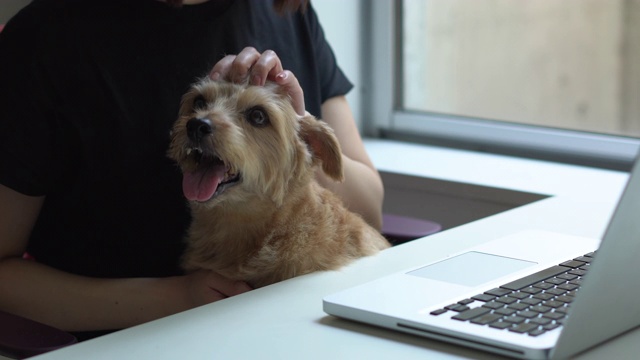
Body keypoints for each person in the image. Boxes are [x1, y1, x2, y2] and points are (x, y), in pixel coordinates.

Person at [0, 0, 384, 341]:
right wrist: (178, 298)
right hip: (131, 343)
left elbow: (371, 209)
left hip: (302, 333)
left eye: (254, 115)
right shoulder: (45, 39)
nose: (203, 122)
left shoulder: (286, 12)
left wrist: (295, 140)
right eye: (198, 105)